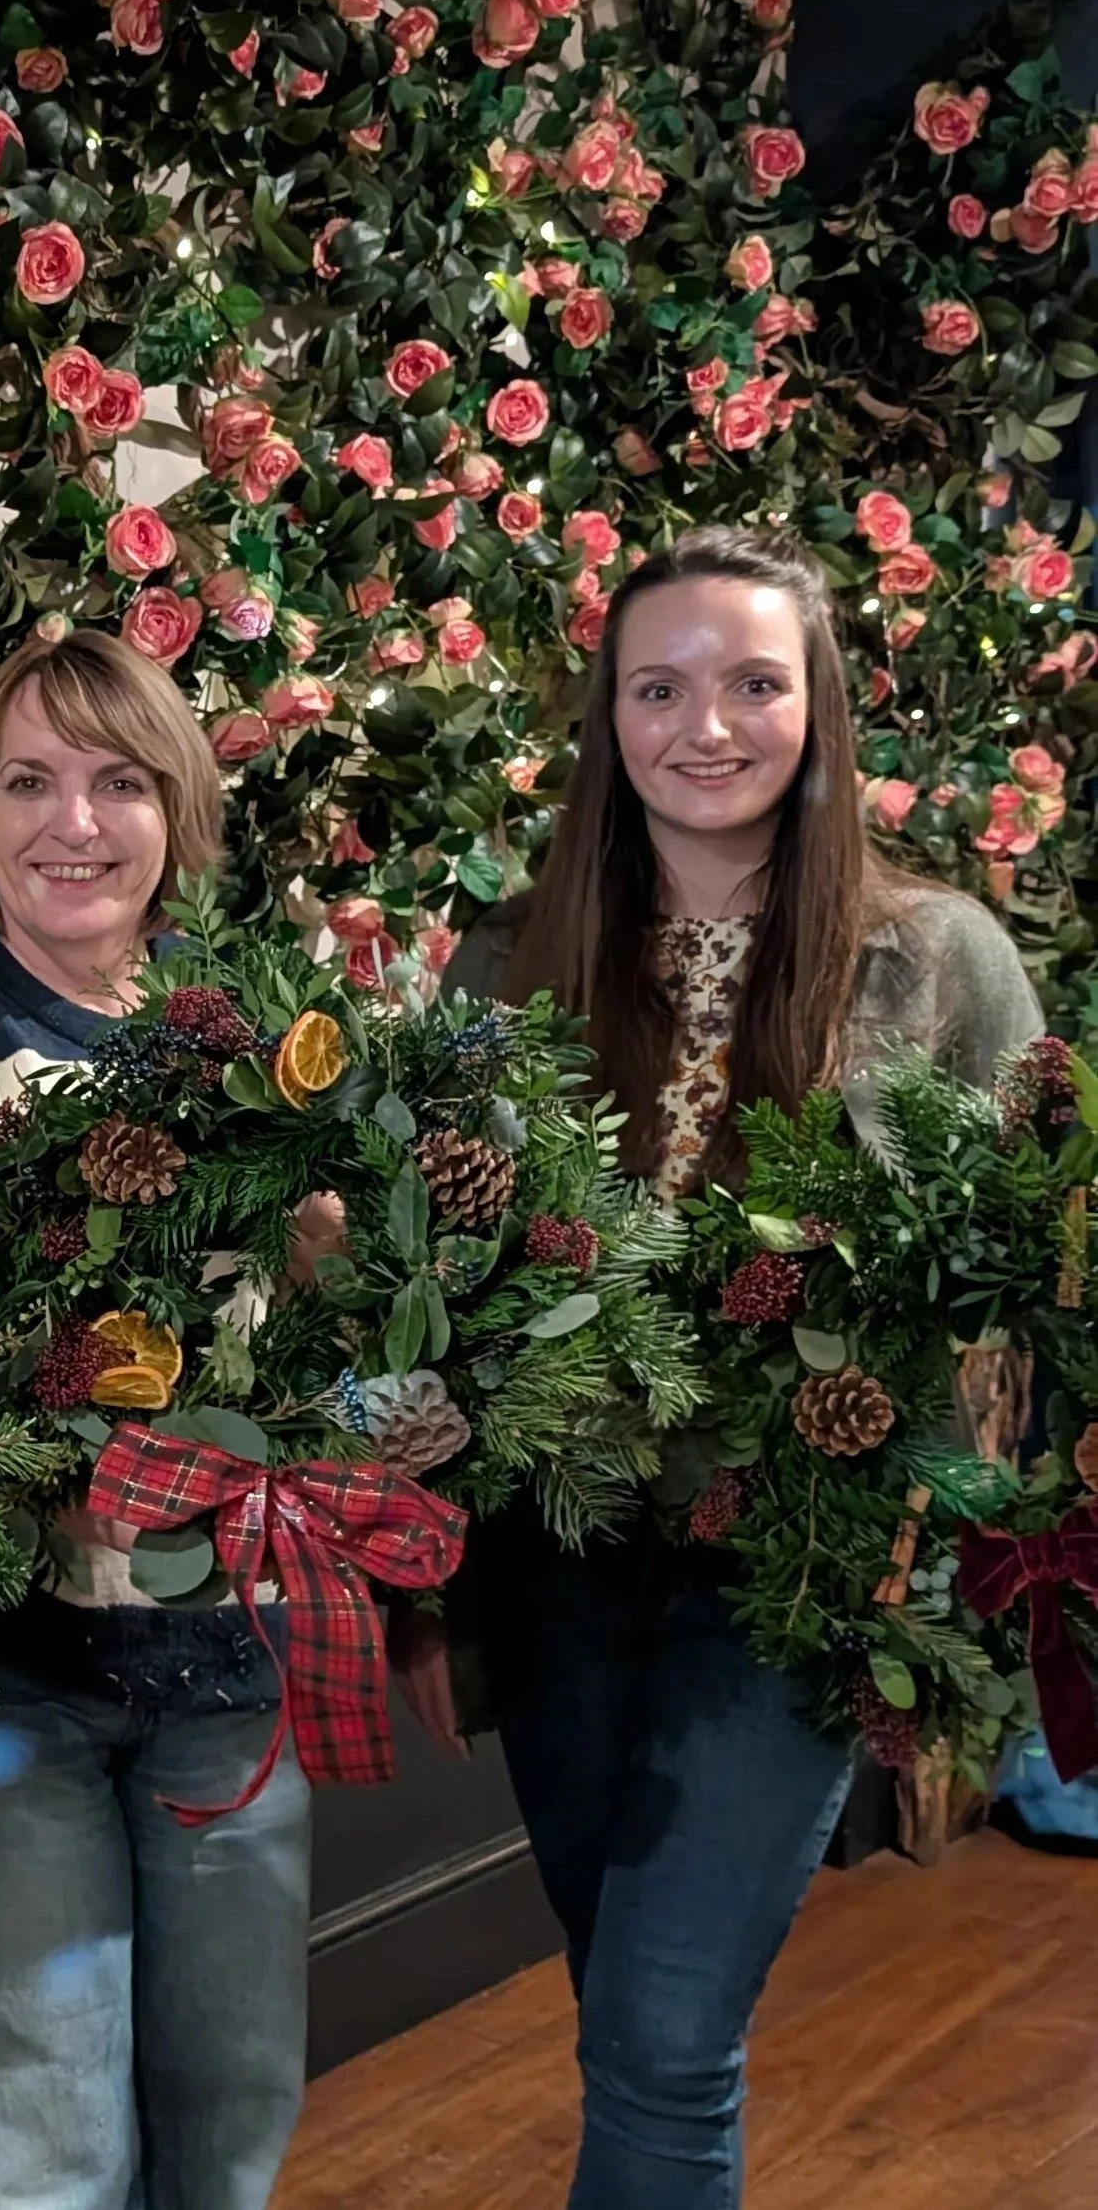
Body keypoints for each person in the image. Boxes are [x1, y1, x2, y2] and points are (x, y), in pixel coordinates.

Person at [444, 526, 1044, 2210]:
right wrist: (422, 1581)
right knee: (620, 2012)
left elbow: (1023, 1265)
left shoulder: (939, 961)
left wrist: (962, 1547)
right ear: (609, 717)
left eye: (754, 683)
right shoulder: (504, 959)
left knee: (664, 2036)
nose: (707, 725)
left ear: (819, 707)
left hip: (792, 1577)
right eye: (660, 686)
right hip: (554, 1566)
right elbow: (438, 1281)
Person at [0, 630, 314, 2210]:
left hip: (232, 1665)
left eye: (117, 782)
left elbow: (310, 1344)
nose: (73, 824)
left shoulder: (257, 1051)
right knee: (30, 2159)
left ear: (178, 813)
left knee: (231, 2125)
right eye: (29, 782)